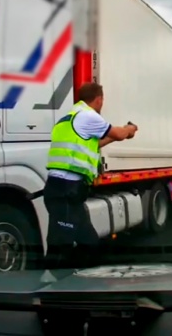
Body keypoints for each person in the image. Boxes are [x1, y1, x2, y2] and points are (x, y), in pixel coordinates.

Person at [43, 82, 138, 270]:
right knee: (61, 248)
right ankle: (48, 287)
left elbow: (96, 143)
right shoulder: (88, 116)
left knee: (90, 243)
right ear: (99, 99)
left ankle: (82, 281)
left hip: (66, 191)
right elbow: (118, 133)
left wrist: (121, 134)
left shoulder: (68, 119)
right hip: (66, 192)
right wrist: (129, 129)